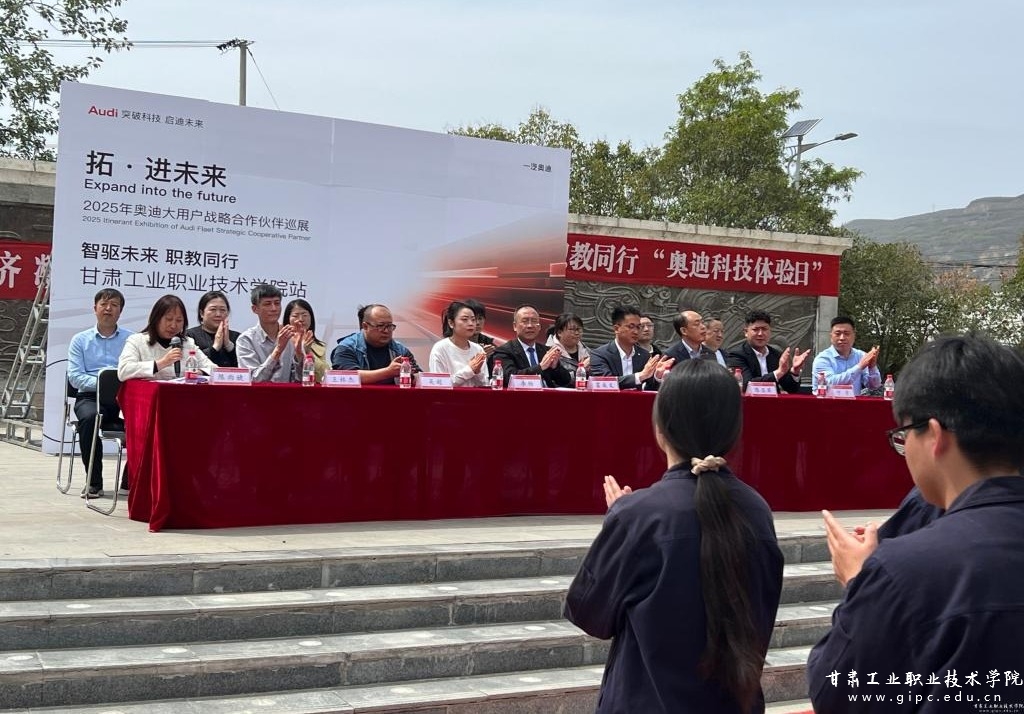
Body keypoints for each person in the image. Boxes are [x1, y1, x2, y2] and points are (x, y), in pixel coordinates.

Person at [807, 335, 1024, 712]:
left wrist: (861, 583)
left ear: (934, 436)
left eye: (903, 435)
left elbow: (837, 693)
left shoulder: (903, 571)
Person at [565, 360, 784, 713]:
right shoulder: (757, 510)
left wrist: (622, 524)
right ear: (734, 429)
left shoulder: (641, 515)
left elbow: (589, 614)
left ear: (661, 426)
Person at [67, 288, 133, 498]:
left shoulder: (132, 340)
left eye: (114, 305)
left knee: (149, 419)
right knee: (90, 419)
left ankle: (129, 480)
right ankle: (94, 482)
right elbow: (75, 377)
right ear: (94, 308)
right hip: (90, 397)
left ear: (120, 311)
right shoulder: (80, 340)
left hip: (123, 398)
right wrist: (104, 384)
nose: (108, 309)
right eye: (104, 304)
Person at [118, 294, 215, 380]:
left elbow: (213, 369)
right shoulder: (137, 340)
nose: (173, 325)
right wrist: (162, 362)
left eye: (179, 320)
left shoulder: (188, 343)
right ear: (156, 319)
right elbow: (123, 371)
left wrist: (199, 372)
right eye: (169, 319)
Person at [330, 303, 420, 384]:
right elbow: (348, 377)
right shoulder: (347, 347)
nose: (386, 331)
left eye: (389, 326)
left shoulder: (400, 350)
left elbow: (419, 377)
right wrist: (388, 372)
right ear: (365, 326)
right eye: (380, 326)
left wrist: (413, 376)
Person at [589, 305, 674, 390]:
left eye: (638, 327)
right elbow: (605, 383)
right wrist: (641, 376)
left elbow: (649, 388)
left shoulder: (644, 355)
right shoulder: (599, 355)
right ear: (616, 329)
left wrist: (657, 376)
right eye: (631, 327)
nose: (636, 331)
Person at [488, 305, 572, 388]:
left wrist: (555, 367)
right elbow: (508, 378)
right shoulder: (504, 351)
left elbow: (565, 381)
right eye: (525, 321)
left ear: (539, 327)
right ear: (515, 326)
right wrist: (540, 367)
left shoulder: (545, 351)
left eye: (534, 321)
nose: (530, 326)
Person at [726, 310, 808, 393]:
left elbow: (791, 389)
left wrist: (795, 371)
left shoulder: (776, 354)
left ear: (770, 331)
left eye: (764, 329)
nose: (760, 334)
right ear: (746, 332)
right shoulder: (736, 355)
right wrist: (778, 373)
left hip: (773, 401)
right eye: (755, 329)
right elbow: (746, 385)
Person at [236, 283, 302, 383]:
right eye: (267, 304)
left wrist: (300, 355)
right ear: (255, 309)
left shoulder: (290, 336)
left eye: (277, 303)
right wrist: (278, 350)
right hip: (258, 393)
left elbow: (300, 381)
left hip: (287, 392)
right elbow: (253, 380)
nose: (274, 308)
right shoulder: (245, 340)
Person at [811, 315, 881, 395]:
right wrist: (859, 367)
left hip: (853, 402)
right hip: (826, 402)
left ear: (854, 335)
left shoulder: (861, 356)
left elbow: (874, 386)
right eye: (837, 334)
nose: (842, 338)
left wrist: (872, 367)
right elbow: (831, 383)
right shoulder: (822, 358)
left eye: (846, 334)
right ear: (831, 336)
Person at [429, 301, 490, 387]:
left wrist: (477, 372)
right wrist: (469, 370)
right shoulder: (440, 348)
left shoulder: (478, 349)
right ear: (451, 323)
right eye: (465, 319)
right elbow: (439, 384)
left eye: (473, 319)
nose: (471, 323)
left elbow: (484, 385)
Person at [185, 290, 240, 368]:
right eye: (213, 309)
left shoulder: (237, 337)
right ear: (202, 313)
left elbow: (244, 366)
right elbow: (189, 363)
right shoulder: (189, 336)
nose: (218, 314)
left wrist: (229, 346)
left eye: (222, 310)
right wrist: (215, 348)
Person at [283, 298, 328, 383]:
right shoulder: (282, 342)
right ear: (288, 319)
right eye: (295, 316)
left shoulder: (319, 346)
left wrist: (307, 352)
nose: (301, 319)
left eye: (305, 315)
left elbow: (323, 376)